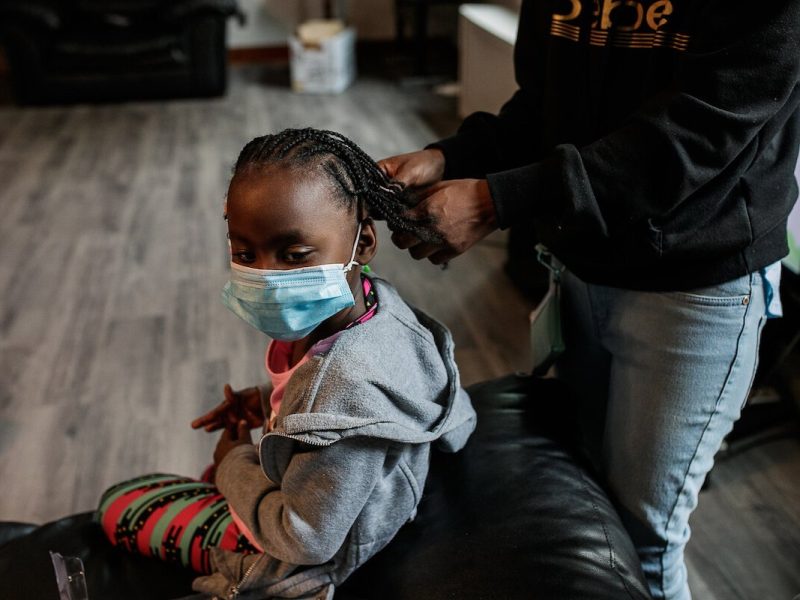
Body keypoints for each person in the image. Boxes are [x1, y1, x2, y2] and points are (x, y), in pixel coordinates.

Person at [378, 2, 800, 599]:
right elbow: (542, 108)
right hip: (580, 265)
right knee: (593, 498)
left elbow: (700, 132)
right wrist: (452, 157)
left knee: (645, 540)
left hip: (695, 290)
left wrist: (497, 201)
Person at [96, 128, 476, 598]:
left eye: (293, 255)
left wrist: (232, 463)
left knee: (120, 505)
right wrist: (268, 401)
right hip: (306, 488)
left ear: (363, 244)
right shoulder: (373, 309)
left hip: (290, 552)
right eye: (244, 253)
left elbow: (307, 539)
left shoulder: (346, 392)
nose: (266, 277)